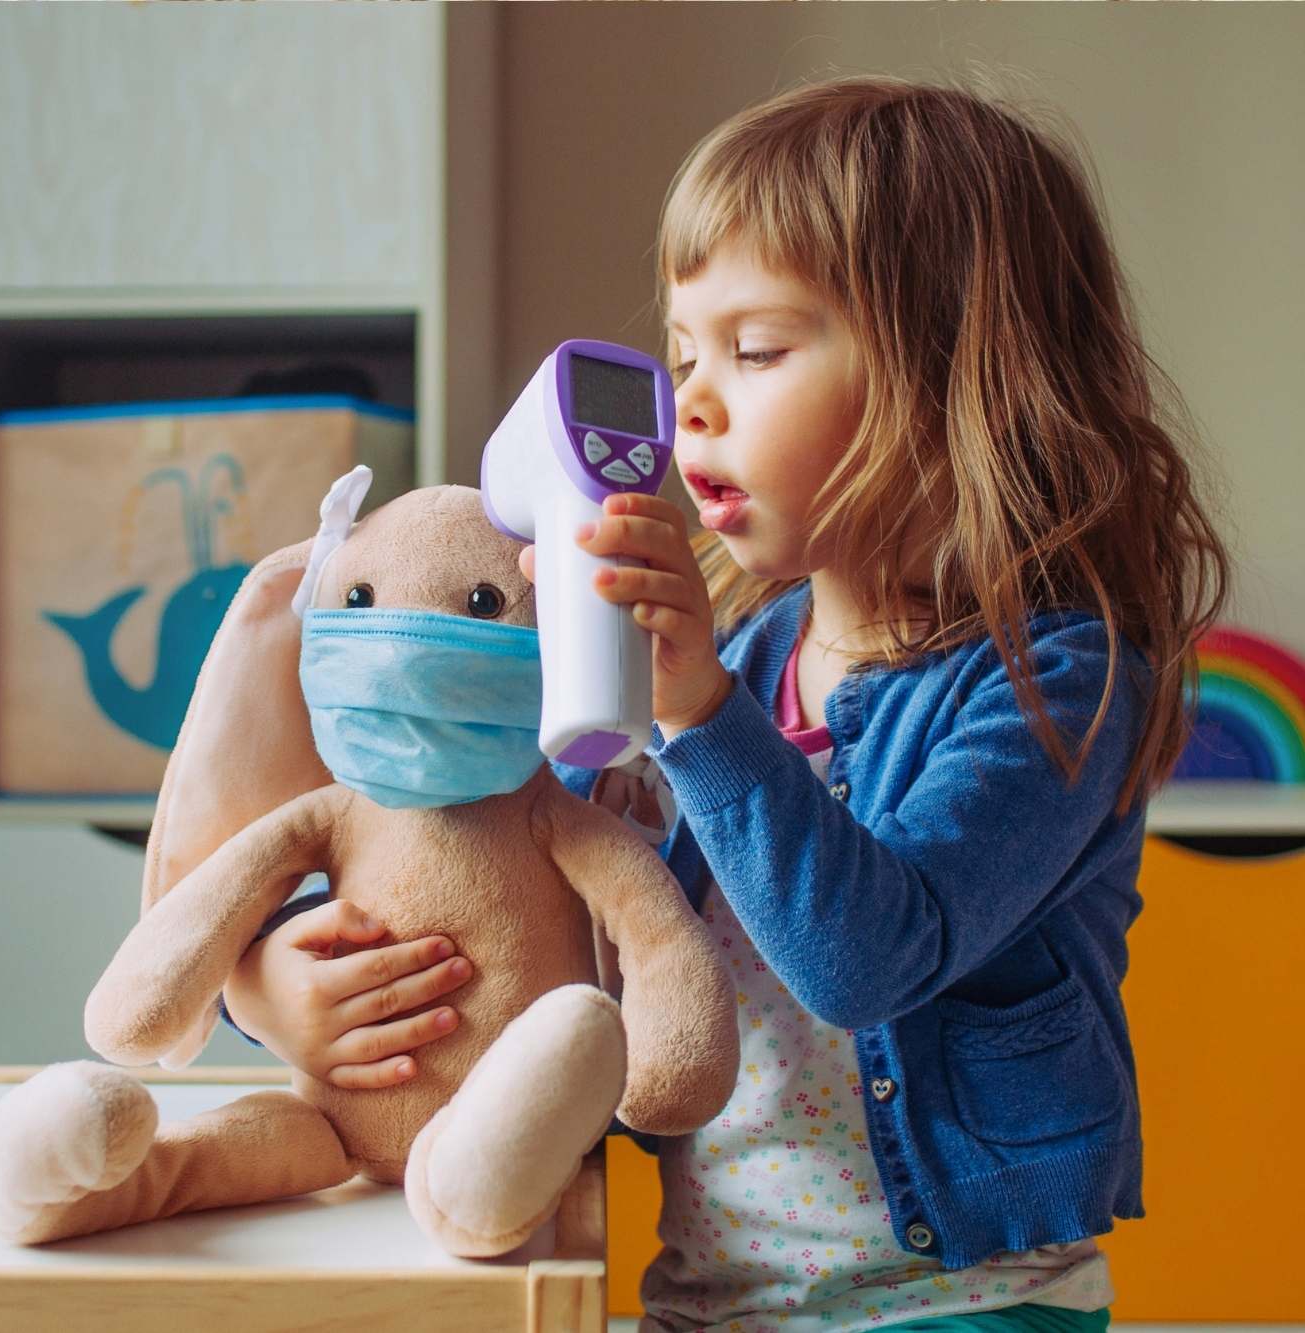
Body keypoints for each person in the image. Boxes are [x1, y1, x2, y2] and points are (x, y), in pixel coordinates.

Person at [222, 74, 1229, 1333]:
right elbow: (501, 869)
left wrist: (697, 713)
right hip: (711, 1297)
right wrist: (270, 980)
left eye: (753, 351)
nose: (688, 399)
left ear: (955, 374)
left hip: (960, 1301)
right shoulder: (748, 650)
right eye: (685, 351)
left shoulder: (1053, 679)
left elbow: (865, 959)